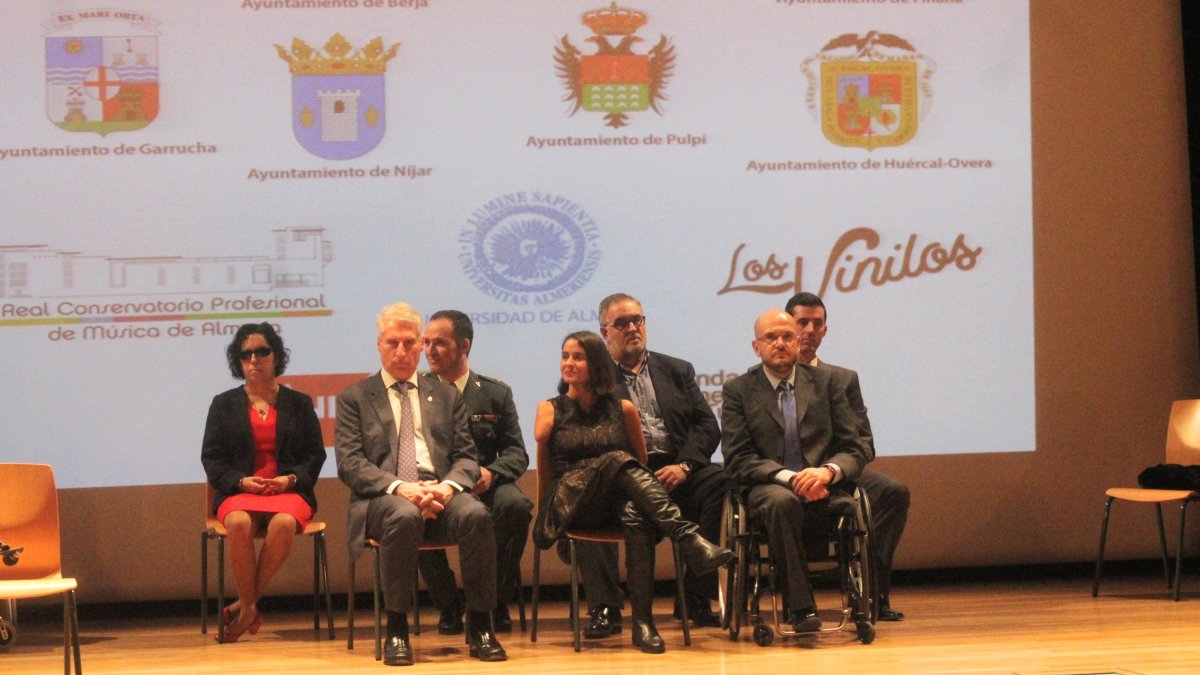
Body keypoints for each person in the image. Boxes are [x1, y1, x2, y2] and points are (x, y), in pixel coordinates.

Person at [532, 331, 735, 654]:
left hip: (611, 500)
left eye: (578, 357)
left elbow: (639, 463)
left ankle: (643, 623)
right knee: (617, 457)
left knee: (635, 513)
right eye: (565, 356)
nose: (568, 363)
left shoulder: (623, 408)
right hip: (572, 502)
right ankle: (688, 537)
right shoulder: (550, 408)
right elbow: (542, 442)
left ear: (596, 365)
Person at [336, 303, 506, 666]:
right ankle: (397, 630)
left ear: (420, 345)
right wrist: (401, 488)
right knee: (404, 516)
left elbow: (466, 457)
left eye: (410, 343)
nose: (402, 351)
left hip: (439, 492)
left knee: (476, 515)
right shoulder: (355, 398)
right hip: (385, 498)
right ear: (379, 345)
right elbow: (350, 464)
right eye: (392, 343)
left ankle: (481, 625)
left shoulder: (445, 394)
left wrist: (447, 487)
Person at [573, 293, 732, 638]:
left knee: (718, 479)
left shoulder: (677, 370)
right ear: (605, 332)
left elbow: (707, 426)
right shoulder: (594, 380)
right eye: (622, 323)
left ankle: (695, 596)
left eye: (638, 320)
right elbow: (590, 438)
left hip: (675, 469)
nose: (633, 328)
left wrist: (685, 466)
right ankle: (606, 608)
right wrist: (635, 472)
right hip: (624, 474)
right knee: (598, 501)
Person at [721, 309, 870, 633]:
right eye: (770, 337)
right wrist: (791, 478)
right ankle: (802, 609)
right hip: (768, 488)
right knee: (783, 501)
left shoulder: (826, 383)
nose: (780, 343)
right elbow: (737, 457)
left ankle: (858, 604)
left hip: (824, 486)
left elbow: (855, 447)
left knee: (845, 507)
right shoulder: (738, 390)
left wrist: (827, 472)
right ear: (756, 347)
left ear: (798, 341)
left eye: (787, 336)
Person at [785, 292, 911, 621]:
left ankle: (872, 591)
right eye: (802, 322)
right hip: (785, 476)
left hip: (837, 472)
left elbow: (864, 443)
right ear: (788, 327)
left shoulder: (842, 379)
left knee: (892, 491)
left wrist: (832, 469)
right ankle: (797, 601)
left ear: (825, 330)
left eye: (817, 323)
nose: (810, 330)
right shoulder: (766, 378)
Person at [201, 322, 326, 643]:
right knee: (239, 522)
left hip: (289, 491)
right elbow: (212, 459)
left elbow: (315, 455)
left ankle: (245, 606)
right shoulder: (222, 404)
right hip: (240, 491)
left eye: (261, 352)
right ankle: (249, 607)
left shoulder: (299, 403)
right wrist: (241, 481)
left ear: (276, 356)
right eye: (245, 354)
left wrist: (290, 479)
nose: (254, 359)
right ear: (238, 361)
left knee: (283, 523)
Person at [418, 310, 532, 634]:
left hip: (483, 483)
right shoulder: (414, 391)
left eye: (440, 343)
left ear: (464, 346)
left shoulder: (495, 393)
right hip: (435, 484)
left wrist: (492, 473)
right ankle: (448, 605)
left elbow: (516, 453)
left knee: (516, 506)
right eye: (426, 342)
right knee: (413, 509)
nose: (429, 351)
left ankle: (493, 600)